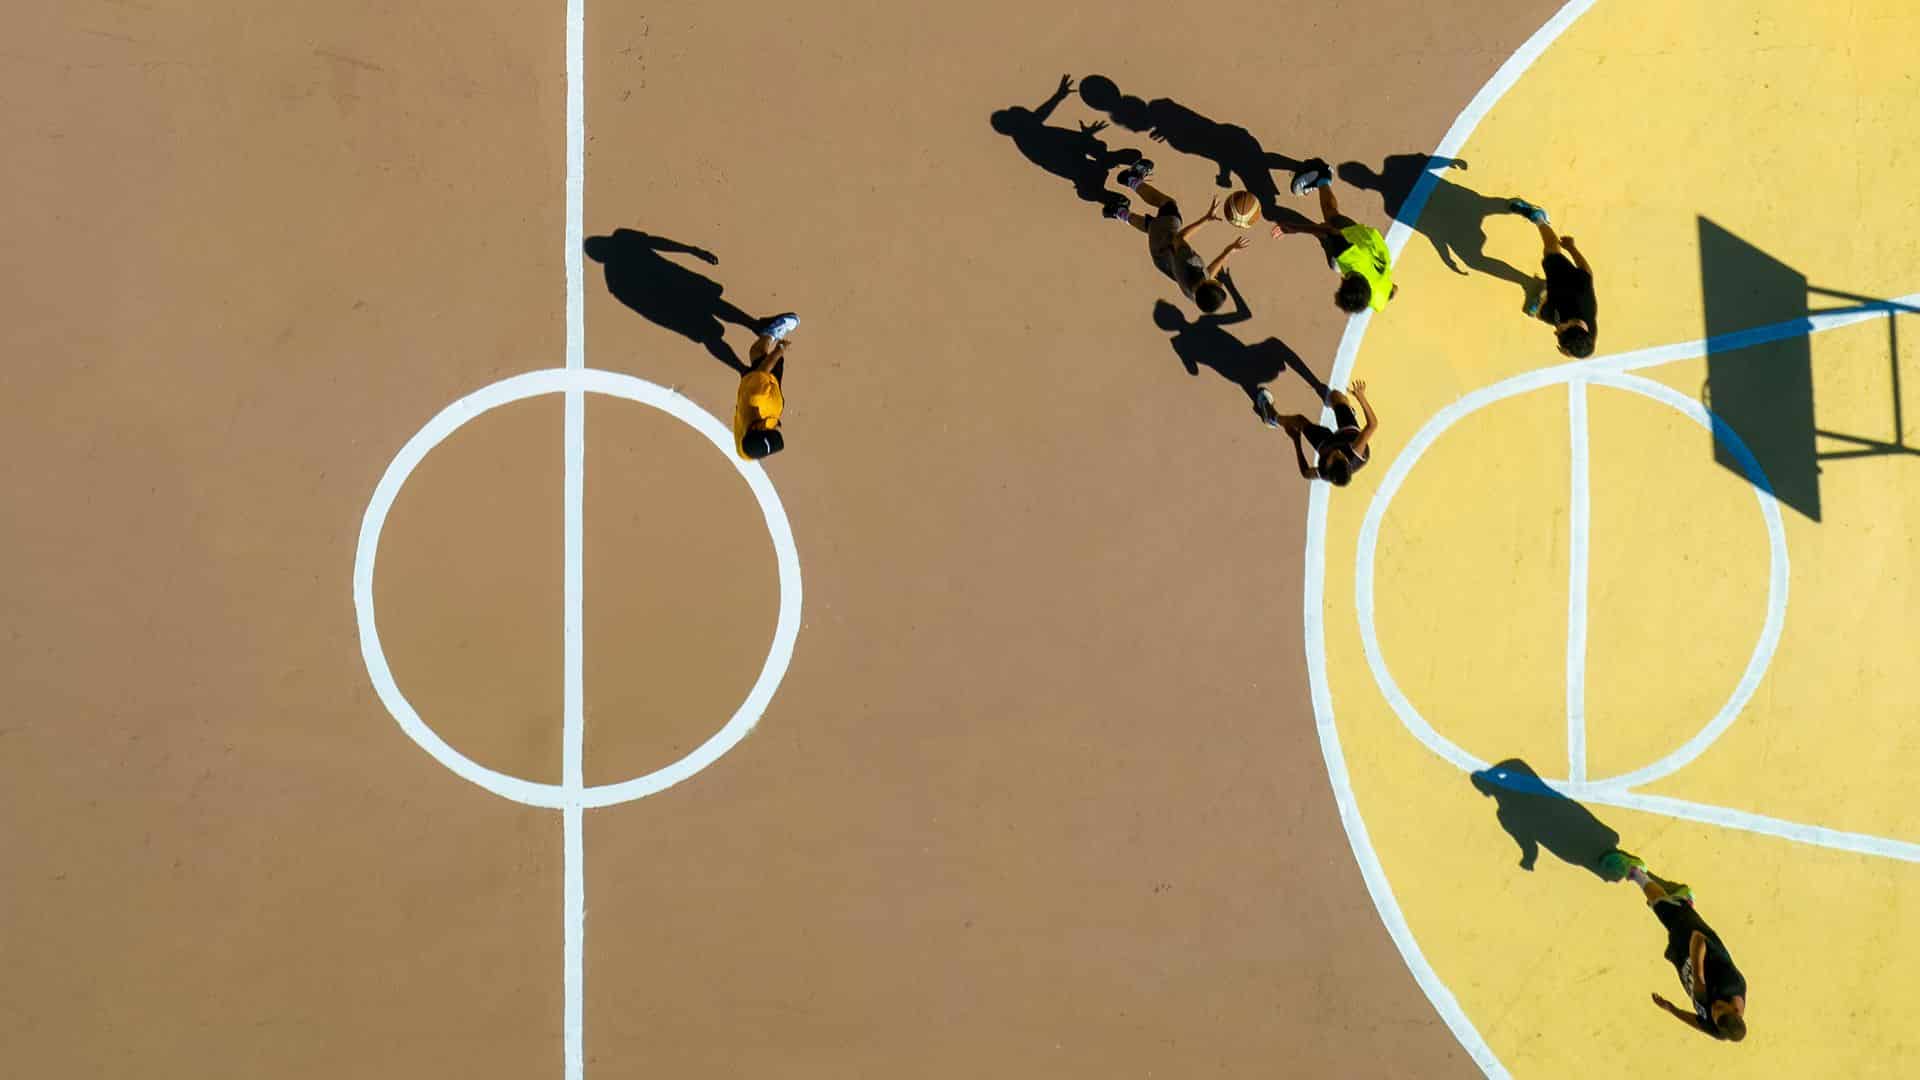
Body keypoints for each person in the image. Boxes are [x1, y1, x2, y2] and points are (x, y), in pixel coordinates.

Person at [1602, 852, 1749, 1042]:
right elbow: (1698, 938)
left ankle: (1683, 901)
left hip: (1682, 958)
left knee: (1669, 912)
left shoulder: (1721, 1028)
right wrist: (1698, 977)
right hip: (1695, 940)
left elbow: (1699, 1023)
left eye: (1715, 1013)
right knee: (1661, 907)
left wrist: (1673, 1010)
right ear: (1735, 1009)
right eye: (1721, 1007)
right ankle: (1635, 870)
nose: (1715, 1008)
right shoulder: (1731, 983)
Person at [1106, 160, 1251, 314]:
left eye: (1217, 284)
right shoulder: (1194, 294)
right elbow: (1208, 273)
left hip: (1168, 241)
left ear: (1208, 283)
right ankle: (1118, 211)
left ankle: (1131, 178)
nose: (1220, 282)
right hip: (1161, 257)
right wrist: (1228, 251)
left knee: (1168, 206)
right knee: (1152, 227)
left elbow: (1179, 237)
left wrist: (1206, 219)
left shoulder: (1189, 260)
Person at [1271, 163, 1397, 314]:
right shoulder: (1349, 257)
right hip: (1362, 240)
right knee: (1331, 216)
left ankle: (1326, 240)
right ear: (1346, 279)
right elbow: (1329, 231)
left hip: (1376, 249)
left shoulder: (1378, 300)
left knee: (1334, 264)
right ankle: (1321, 175)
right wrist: (1294, 228)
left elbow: (1394, 290)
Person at [1510, 199, 1597, 357]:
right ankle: (1539, 218)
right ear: (1574, 325)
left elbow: (1576, 348)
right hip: (1565, 280)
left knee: (1537, 313)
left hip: (1558, 308)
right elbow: (1586, 270)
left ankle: (1544, 296)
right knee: (1551, 251)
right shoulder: (1583, 297)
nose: (1555, 333)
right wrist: (1571, 248)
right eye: (1560, 333)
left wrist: (1567, 350)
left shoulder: (1583, 341)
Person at [1259, 379, 1377, 486]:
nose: (1337, 451)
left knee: (1299, 420)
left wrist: (1296, 440)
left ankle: (1271, 417)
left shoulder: (1325, 472)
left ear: (1328, 466)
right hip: (1349, 434)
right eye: (1339, 454)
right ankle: (1345, 408)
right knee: (1336, 396)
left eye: (1333, 456)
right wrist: (1361, 397)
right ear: (1346, 460)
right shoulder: (1356, 451)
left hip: (1327, 443)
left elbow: (1306, 473)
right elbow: (1372, 425)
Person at [734, 314, 799, 460]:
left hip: (763, 383)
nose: (772, 428)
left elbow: (762, 370)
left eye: (769, 430)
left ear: (757, 428)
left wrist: (779, 350)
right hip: (767, 396)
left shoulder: (757, 396)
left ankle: (770, 333)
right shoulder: (745, 452)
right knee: (756, 360)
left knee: (758, 354)